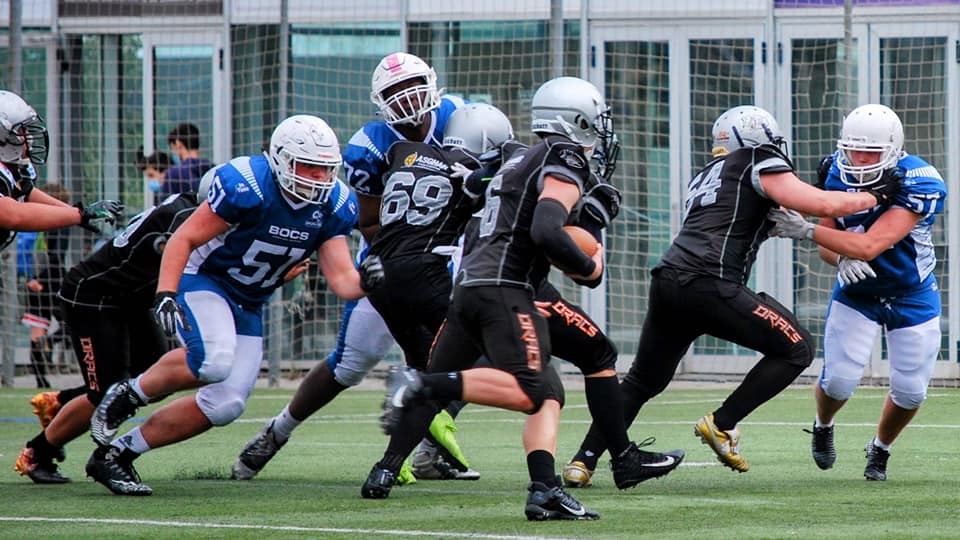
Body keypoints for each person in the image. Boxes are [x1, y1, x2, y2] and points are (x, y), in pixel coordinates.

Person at [364, 76, 681, 521]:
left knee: (529, 384)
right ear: (575, 121)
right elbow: (547, 230)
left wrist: (586, 220)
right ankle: (423, 386)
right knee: (538, 387)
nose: (601, 130)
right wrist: (589, 260)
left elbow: (491, 201)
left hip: (469, 287)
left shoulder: (512, 161)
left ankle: (389, 469)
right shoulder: (560, 154)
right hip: (507, 290)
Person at [561, 105, 905, 478]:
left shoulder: (708, 174)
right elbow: (820, 203)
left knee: (644, 380)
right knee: (797, 349)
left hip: (669, 280)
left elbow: (738, 219)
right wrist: (877, 196)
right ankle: (723, 422)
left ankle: (583, 460)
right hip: (710, 282)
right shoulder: (757, 159)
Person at [84, 114, 384, 496]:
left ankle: (117, 455)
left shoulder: (334, 205)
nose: (319, 179)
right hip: (206, 278)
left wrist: (367, 283)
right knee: (214, 360)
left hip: (248, 298)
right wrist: (166, 293)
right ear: (281, 160)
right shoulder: (249, 184)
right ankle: (131, 393)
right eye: (309, 167)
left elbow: (342, 280)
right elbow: (184, 238)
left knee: (225, 404)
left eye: (326, 170)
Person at [230, 52, 475, 484]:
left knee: (467, 346)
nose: (408, 97)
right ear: (380, 102)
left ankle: (424, 446)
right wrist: (407, 261)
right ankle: (275, 433)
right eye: (395, 92)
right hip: (391, 260)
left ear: (433, 83)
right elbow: (369, 221)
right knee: (350, 363)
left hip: (449, 255)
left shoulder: (460, 118)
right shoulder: (370, 145)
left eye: (413, 85)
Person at [767, 103, 945, 481]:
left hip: (911, 293)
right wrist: (839, 257)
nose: (859, 159)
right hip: (858, 292)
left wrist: (807, 230)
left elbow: (869, 246)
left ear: (894, 150)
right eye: (852, 149)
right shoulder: (835, 169)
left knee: (911, 391)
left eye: (871, 152)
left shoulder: (919, 180)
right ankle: (823, 425)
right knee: (839, 380)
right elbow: (830, 247)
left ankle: (879, 449)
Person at [14, 180, 209, 484]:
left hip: (128, 299)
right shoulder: (184, 220)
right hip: (93, 298)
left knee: (154, 380)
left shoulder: (190, 205)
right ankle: (36, 453)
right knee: (106, 392)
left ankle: (60, 402)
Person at [0, 90, 124, 251]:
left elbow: (26, 192)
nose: (28, 137)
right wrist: (80, 214)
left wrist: (78, 212)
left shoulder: (11, 170)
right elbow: (12, 215)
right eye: (21, 131)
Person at [20, 183, 73, 388]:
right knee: (71, 323)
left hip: (37, 280)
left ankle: (41, 380)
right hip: (53, 278)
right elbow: (56, 256)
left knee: (38, 330)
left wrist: (29, 277)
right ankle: (49, 346)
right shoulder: (61, 220)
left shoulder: (34, 218)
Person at [163, 123, 214, 196]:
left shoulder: (173, 174)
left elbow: (166, 204)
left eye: (172, 148)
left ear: (178, 143)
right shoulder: (213, 169)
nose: (174, 153)